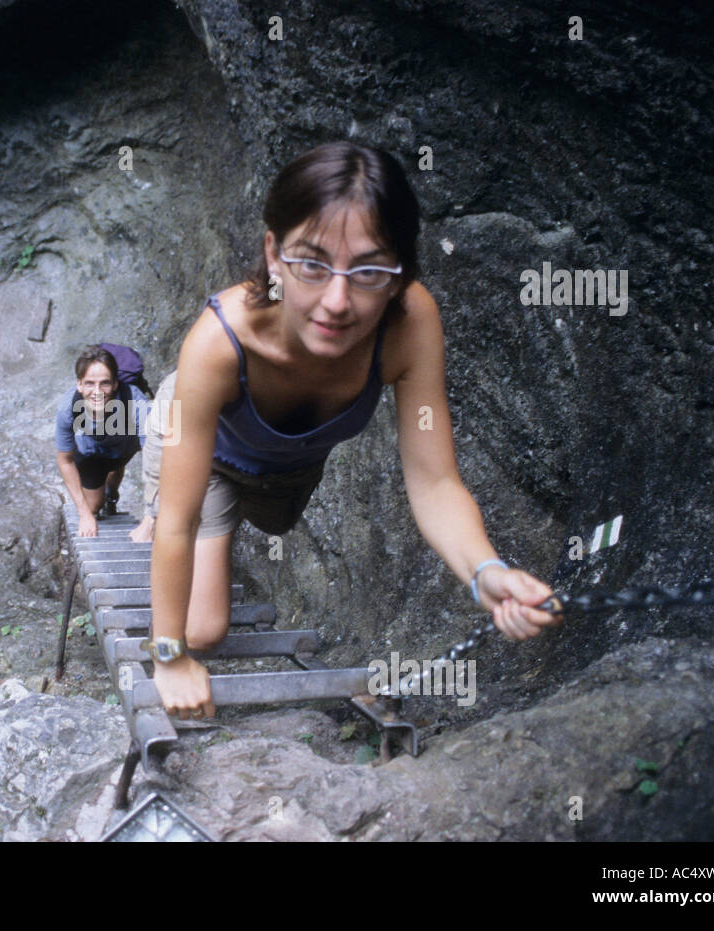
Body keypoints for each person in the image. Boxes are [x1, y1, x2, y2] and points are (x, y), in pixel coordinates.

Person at [136, 141, 563, 720]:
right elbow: (180, 518)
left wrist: (484, 571)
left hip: (284, 470)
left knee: (266, 522)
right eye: (311, 263)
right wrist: (168, 657)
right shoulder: (218, 341)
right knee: (203, 630)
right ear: (273, 255)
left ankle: (221, 534)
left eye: (368, 270)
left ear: (401, 273)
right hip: (199, 442)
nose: (336, 302)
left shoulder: (410, 326)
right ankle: (176, 545)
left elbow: (436, 482)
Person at [56, 345, 150, 537]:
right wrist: (84, 514)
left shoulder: (135, 402)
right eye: (90, 383)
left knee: (115, 469)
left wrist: (151, 518)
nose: (97, 392)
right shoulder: (68, 408)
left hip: (122, 447)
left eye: (105, 383)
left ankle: (112, 497)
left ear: (115, 384)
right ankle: (103, 498)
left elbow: (157, 458)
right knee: (92, 507)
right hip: (90, 454)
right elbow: (65, 460)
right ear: (79, 384)